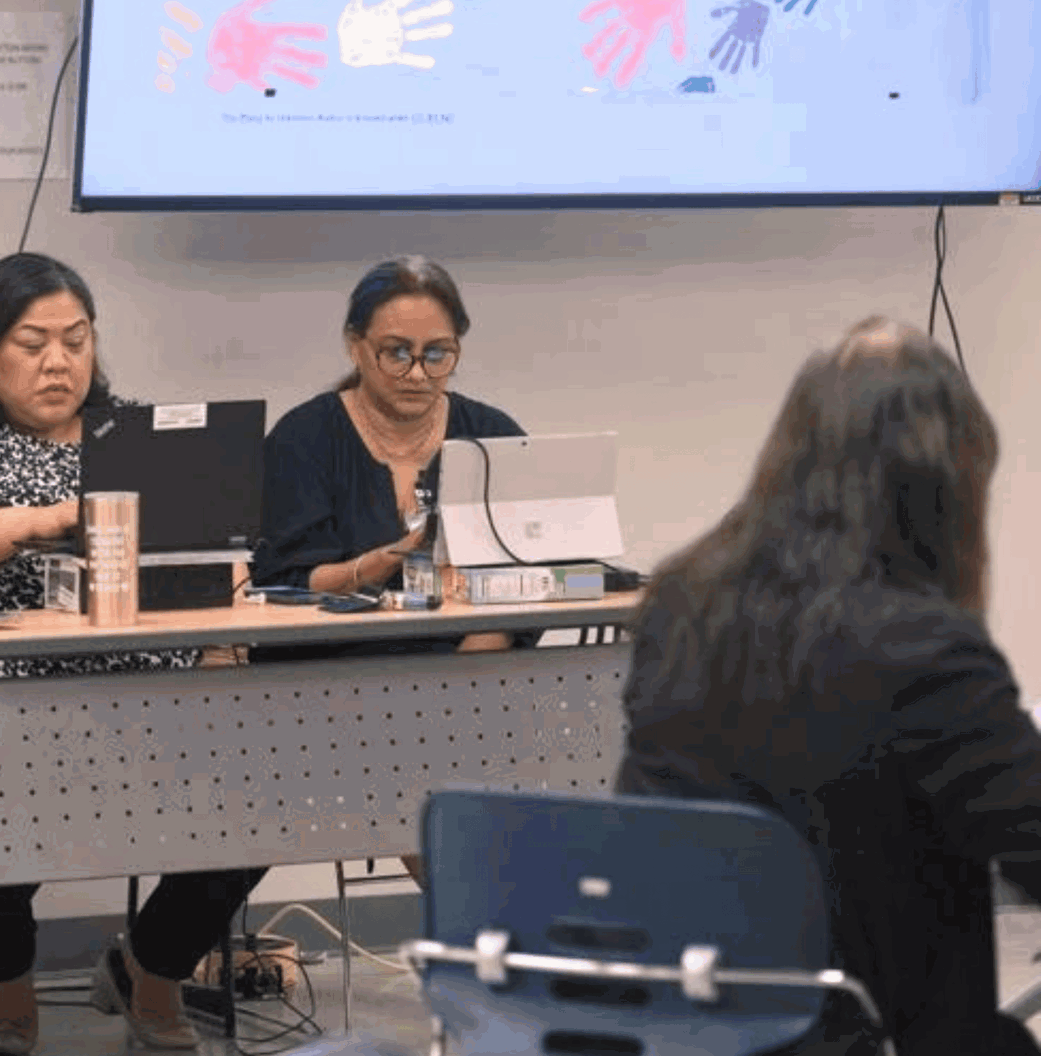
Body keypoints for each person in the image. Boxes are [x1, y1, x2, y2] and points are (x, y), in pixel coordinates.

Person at [0, 251, 266, 1054]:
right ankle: (4, 984)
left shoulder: (134, 432)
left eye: (76, 340)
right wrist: (43, 519)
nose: (59, 362)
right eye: (33, 341)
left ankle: (153, 966)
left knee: (265, 780)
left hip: (143, 699)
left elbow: (219, 552)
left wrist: (226, 563)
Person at [618, 318, 1041, 1055]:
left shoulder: (679, 606)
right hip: (870, 1032)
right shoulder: (930, 652)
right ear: (944, 485)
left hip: (693, 1026)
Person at [251, 256, 534, 661]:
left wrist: (480, 653)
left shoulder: (494, 437)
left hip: (475, 674)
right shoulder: (303, 439)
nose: (418, 374)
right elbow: (285, 582)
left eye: (437, 355)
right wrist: (377, 565)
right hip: (326, 677)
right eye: (397, 353)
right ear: (355, 347)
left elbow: (538, 572)